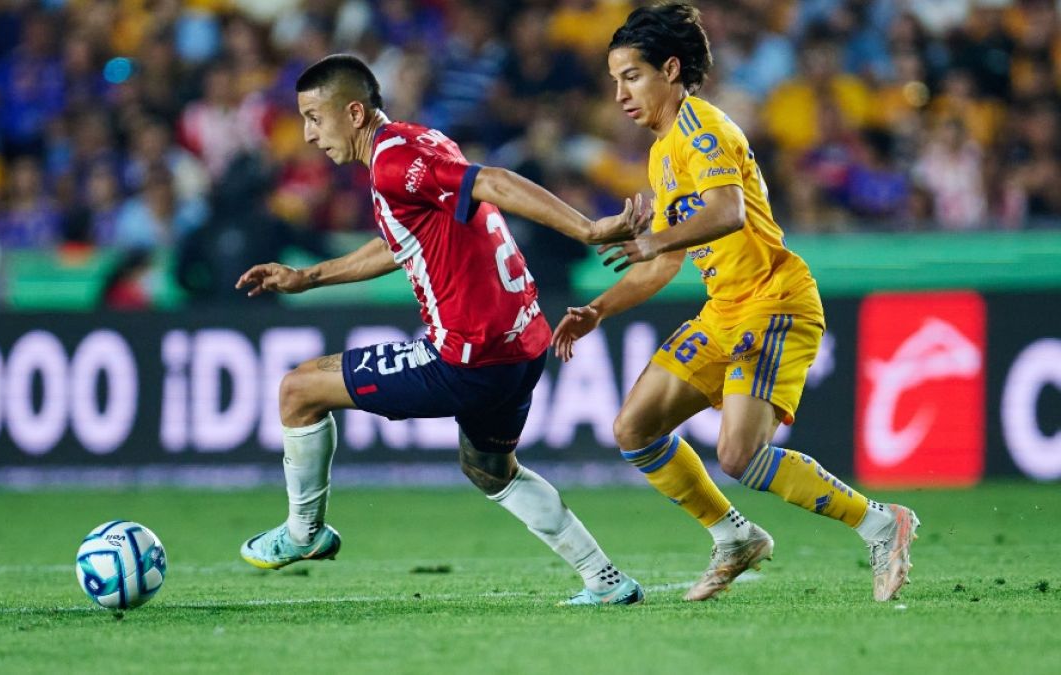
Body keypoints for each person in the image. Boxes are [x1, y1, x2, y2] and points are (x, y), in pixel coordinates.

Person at [236, 54, 651, 606]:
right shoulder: (420, 141)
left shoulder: (391, 164)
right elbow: (400, 241)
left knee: (298, 390)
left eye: (315, 117)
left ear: (354, 112)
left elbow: (495, 182)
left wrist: (590, 228)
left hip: (466, 357)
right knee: (489, 469)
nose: (309, 135)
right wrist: (308, 277)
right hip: (524, 346)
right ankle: (606, 580)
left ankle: (302, 533)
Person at [551, 3, 919, 603]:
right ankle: (733, 536)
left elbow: (728, 213)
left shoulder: (703, 129)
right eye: (614, 79)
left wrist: (651, 239)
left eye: (632, 76)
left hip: (774, 301)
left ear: (671, 69)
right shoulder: (661, 152)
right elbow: (666, 263)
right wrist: (600, 310)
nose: (619, 93)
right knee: (634, 428)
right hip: (724, 309)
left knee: (738, 453)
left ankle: (882, 523)